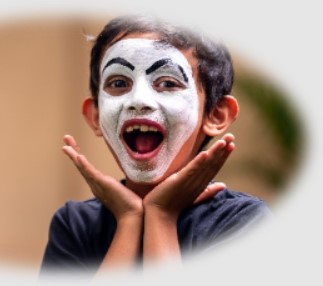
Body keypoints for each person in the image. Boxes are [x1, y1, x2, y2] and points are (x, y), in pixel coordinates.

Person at [40, 14, 272, 276]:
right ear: (95, 116)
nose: (139, 100)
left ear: (215, 115)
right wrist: (129, 219)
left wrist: (160, 215)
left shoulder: (243, 223)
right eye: (119, 83)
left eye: (167, 83)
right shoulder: (75, 224)